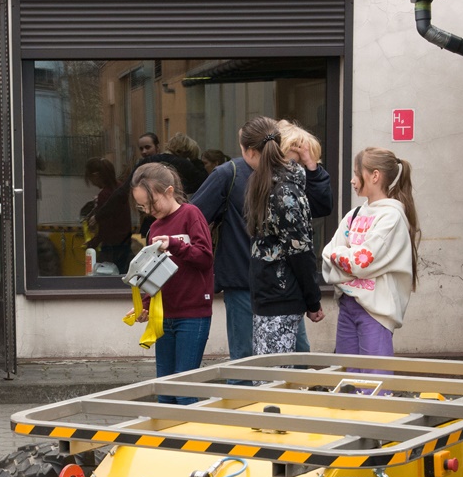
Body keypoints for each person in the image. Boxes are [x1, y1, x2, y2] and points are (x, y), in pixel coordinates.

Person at [193, 118, 331, 360]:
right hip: (244, 281)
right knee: (249, 360)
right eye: (291, 157)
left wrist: (312, 167)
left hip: (282, 289)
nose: (290, 164)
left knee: (294, 358)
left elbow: (318, 210)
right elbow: (195, 218)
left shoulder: (287, 183)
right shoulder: (233, 174)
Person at [321, 147, 419, 363]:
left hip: (375, 313)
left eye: (357, 173)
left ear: (375, 176)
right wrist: (348, 261)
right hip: (348, 305)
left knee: (374, 382)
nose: (352, 180)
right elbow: (328, 255)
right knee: (347, 378)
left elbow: (360, 262)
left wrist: (345, 261)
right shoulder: (354, 214)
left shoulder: (391, 217)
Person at [129, 163, 214, 403]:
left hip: (193, 314)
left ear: (168, 191)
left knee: (184, 389)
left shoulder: (191, 214)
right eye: (142, 206)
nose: (148, 210)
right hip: (163, 314)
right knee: (164, 390)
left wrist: (175, 244)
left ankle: (193, 438)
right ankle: (168, 440)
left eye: (152, 203)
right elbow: (152, 271)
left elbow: (206, 258)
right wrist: (144, 303)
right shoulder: (154, 227)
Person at [240, 118, 324, 355]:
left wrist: (313, 300)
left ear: (250, 152)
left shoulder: (282, 189)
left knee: (271, 378)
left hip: (280, 295)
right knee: (269, 375)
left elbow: (300, 250)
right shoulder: (265, 182)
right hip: (269, 293)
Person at [82, 157, 133, 273]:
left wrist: (92, 243)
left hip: (112, 247)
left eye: (90, 178)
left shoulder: (105, 195)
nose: (92, 183)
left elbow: (106, 228)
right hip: (125, 242)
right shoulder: (119, 188)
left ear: (96, 176)